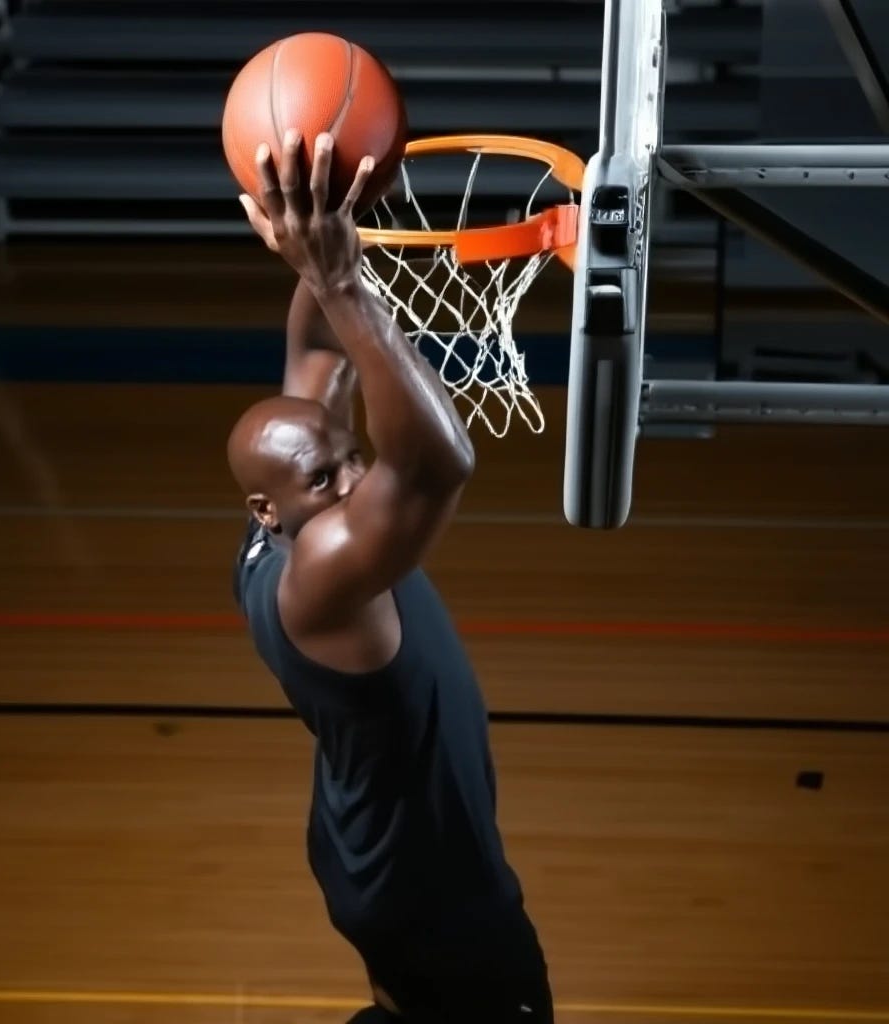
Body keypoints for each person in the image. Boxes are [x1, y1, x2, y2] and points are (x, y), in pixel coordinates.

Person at [229, 128, 552, 1024]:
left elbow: (321, 357)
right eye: (326, 479)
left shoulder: (276, 520)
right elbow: (439, 464)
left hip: (366, 845)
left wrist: (325, 224)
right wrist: (341, 282)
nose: (354, 479)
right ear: (270, 511)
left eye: (351, 456)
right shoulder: (321, 577)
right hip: (429, 886)